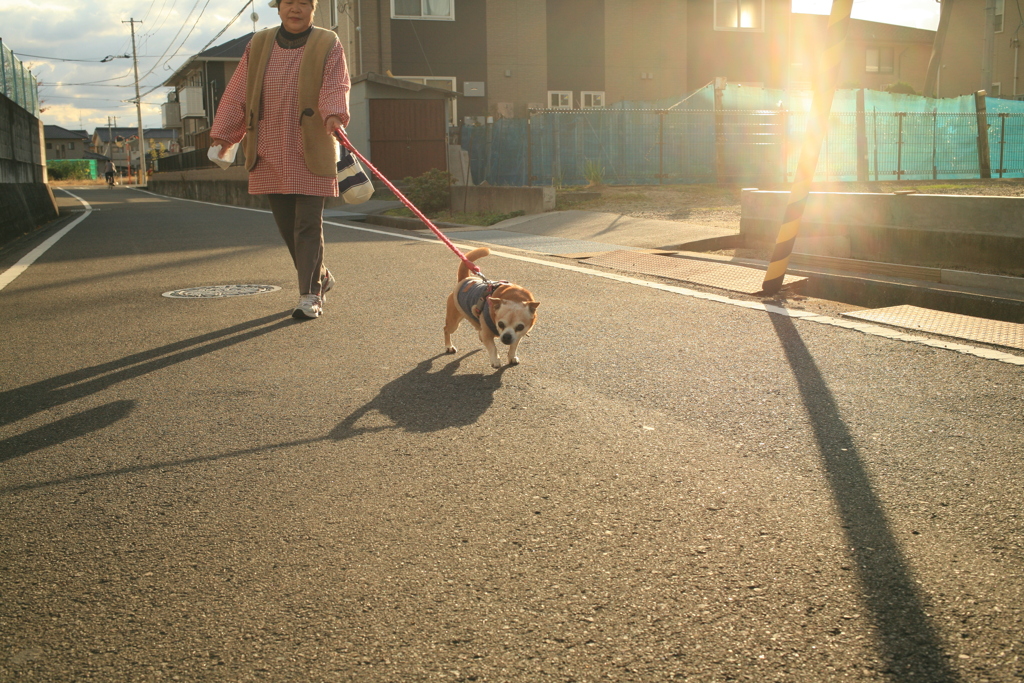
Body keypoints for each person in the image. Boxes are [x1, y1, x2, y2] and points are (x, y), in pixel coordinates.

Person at [210, 0, 350, 320]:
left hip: (312, 144)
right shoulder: (259, 43)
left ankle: (310, 295)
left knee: (307, 225)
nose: (295, 9)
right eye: (289, 2)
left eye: (303, 2)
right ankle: (321, 275)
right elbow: (238, 92)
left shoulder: (328, 42)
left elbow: (336, 84)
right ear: (278, 7)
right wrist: (224, 134)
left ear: (313, 8)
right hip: (269, 145)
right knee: (287, 227)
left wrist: (334, 115)